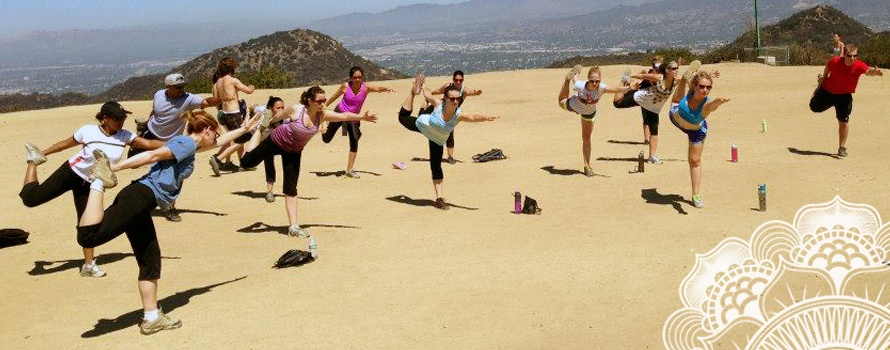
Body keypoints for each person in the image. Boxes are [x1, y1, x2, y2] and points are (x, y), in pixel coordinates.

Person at [75, 109, 259, 335]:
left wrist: (244, 129)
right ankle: (97, 183)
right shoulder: (186, 144)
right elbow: (152, 156)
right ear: (207, 130)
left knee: (150, 260)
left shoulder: (190, 145)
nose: (216, 139)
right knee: (89, 237)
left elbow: (217, 142)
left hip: (144, 202)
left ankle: (152, 317)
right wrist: (114, 168)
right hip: (140, 196)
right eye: (214, 133)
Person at [20, 101, 163, 277]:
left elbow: (148, 145)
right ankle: (31, 162)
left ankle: (89, 265)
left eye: (123, 118)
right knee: (31, 199)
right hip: (71, 172)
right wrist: (42, 153)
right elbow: (66, 144)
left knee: (89, 224)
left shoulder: (125, 136)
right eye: (117, 118)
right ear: (105, 119)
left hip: (91, 183)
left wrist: (174, 144)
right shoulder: (88, 130)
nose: (121, 121)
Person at [241, 86, 378, 236]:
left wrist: (362, 118)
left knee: (291, 188)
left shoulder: (322, 115)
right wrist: (265, 123)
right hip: (276, 141)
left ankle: (293, 226)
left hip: (294, 151)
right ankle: (257, 132)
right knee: (247, 163)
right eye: (319, 101)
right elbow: (277, 117)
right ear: (310, 101)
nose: (323, 103)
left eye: (324, 100)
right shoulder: (296, 109)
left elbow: (344, 116)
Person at [397, 74, 499, 210]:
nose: (456, 101)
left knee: (436, 166)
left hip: (437, 140)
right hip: (424, 126)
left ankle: (439, 198)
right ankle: (411, 93)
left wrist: (485, 117)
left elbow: (472, 116)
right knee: (402, 117)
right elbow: (427, 95)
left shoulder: (458, 115)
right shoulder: (438, 104)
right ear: (445, 98)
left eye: (457, 98)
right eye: (452, 99)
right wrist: (422, 86)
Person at [133, 73, 219, 222]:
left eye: (182, 86)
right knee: (138, 164)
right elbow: (155, 111)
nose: (181, 89)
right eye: (177, 87)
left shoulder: (188, 98)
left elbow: (205, 102)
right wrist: (148, 122)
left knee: (176, 175)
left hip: (173, 143)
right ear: (168, 87)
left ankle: (170, 207)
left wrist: (221, 98)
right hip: (151, 134)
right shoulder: (159, 94)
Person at [613, 60, 700, 164]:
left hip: (654, 107)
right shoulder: (659, 78)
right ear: (667, 70)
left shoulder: (676, 81)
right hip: (642, 98)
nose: (676, 70)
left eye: (677, 68)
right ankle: (624, 82)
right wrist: (632, 74)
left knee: (654, 131)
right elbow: (642, 76)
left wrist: (705, 75)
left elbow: (689, 78)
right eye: (673, 68)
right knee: (617, 103)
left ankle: (652, 157)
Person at [667, 71, 730, 209]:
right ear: (694, 86)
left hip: (696, 130)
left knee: (694, 160)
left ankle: (695, 194)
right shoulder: (690, 89)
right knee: (677, 99)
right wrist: (707, 75)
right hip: (677, 118)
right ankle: (685, 78)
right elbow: (679, 97)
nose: (705, 90)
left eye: (708, 87)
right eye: (701, 86)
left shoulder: (707, 104)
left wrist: (718, 102)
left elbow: (711, 106)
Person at [320, 66, 394, 178]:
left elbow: (377, 88)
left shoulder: (366, 87)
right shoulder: (345, 86)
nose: (357, 79)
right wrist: (324, 107)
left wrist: (386, 88)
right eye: (355, 77)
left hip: (353, 118)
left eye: (359, 77)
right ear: (351, 78)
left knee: (354, 141)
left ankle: (349, 170)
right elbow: (335, 96)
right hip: (340, 113)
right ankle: (323, 123)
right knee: (326, 139)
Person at [810, 44, 882, 157]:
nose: (852, 58)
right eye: (849, 56)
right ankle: (823, 97)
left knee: (843, 121)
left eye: (855, 56)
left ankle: (842, 148)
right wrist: (822, 80)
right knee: (814, 108)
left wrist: (875, 72)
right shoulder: (835, 62)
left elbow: (868, 71)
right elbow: (827, 68)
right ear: (844, 55)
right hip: (828, 91)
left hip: (844, 95)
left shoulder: (859, 65)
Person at [558, 65, 630, 176]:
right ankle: (566, 80)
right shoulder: (580, 85)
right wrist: (573, 76)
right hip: (574, 105)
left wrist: (629, 88)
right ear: (588, 79)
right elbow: (575, 81)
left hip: (588, 113)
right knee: (561, 101)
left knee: (586, 138)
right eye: (592, 81)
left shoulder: (602, 88)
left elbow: (615, 89)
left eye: (597, 81)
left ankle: (587, 166)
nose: (595, 83)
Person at [209, 58, 256, 175]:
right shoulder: (232, 80)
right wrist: (251, 86)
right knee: (244, 137)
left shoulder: (218, 82)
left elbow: (216, 99)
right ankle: (218, 158)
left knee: (237, 138)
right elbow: (248, 91)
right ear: (232, 68)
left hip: (224, 113)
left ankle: (243, 163)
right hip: (233, 113)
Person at [430, 70, 483, 164]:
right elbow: (438, 91)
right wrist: (428, 94)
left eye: (460, 80)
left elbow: (472, 92)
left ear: (463, 80)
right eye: (456, 80)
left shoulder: (464, 90)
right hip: (439, 110)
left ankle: (450, 156)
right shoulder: (447, 86)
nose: (458, 82)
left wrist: (477, 92)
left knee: (449, 133)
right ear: (453, 79)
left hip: (451, 114)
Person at [256, 96, 286, 203]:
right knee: (268, 161)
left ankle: (289, 189)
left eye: (282, 107)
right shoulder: (264, 115)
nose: (281, 110)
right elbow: (256, 108)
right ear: (271, 108)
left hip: (279, 143)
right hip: (261, 140)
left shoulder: (285, 118)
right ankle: (269, 191)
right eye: (278, 108)